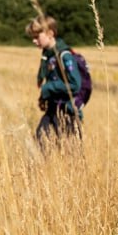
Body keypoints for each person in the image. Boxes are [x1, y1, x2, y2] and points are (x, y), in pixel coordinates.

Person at [26, 15, 82, 146]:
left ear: (50, 33)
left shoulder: (64, 56)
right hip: (52, 110)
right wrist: (44, 98)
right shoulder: (48, 55)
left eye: (37, 37)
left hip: (68, 113)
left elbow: (75, 85)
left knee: (72, 155)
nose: (34, 41)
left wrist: (48, 88)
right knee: (40, 144)